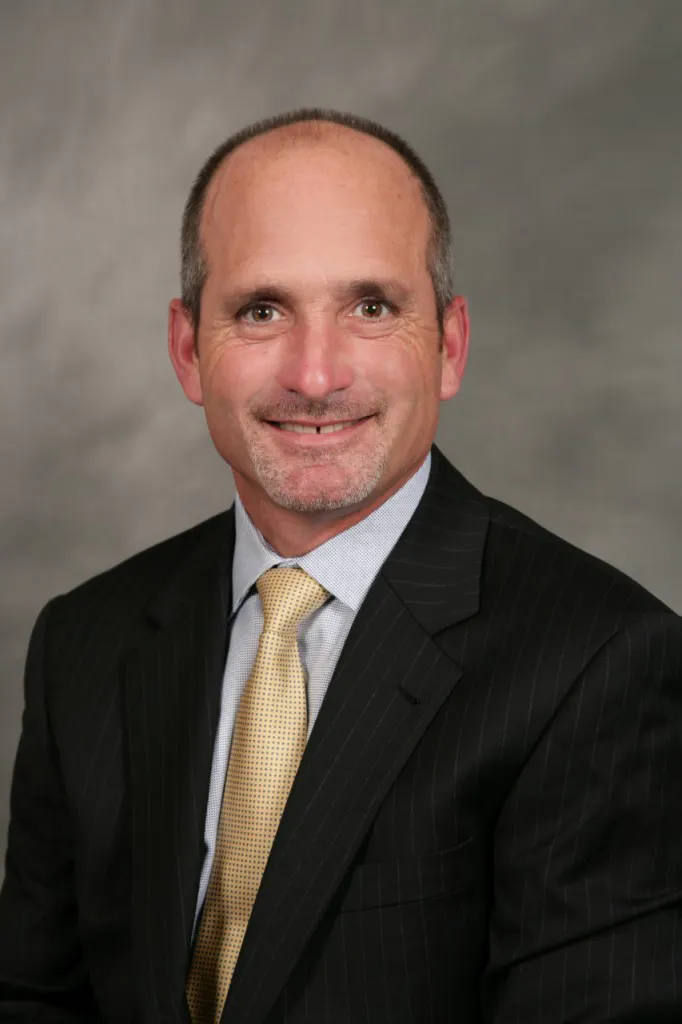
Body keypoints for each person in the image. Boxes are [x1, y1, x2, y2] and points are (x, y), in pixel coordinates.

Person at [0, 107, 680, 1024]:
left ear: (449, 346)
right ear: (187, 350)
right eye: (262, 310)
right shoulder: (83, 642)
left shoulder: (599, 664)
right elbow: (35, 998)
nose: (315, 376)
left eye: (371, 308)